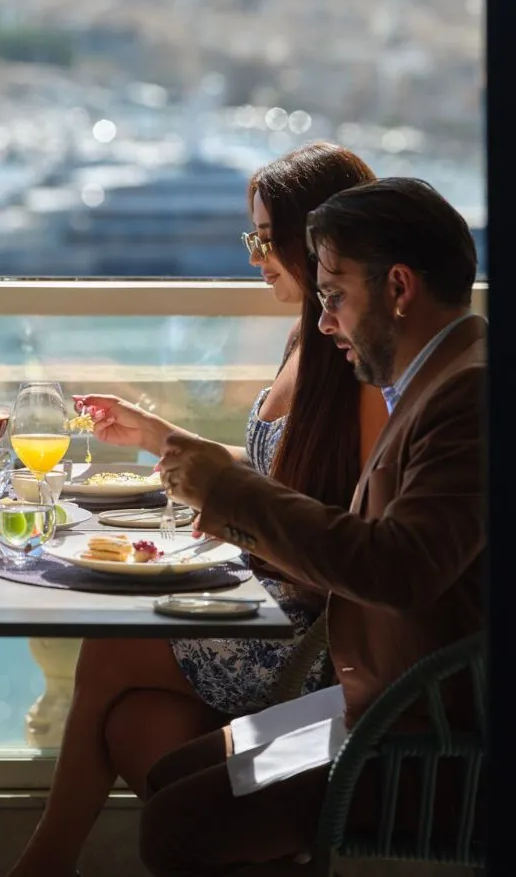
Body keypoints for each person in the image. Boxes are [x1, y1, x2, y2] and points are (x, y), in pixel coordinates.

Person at [8, 142, 387, 877]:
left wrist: (235, 519)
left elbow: (352, 522)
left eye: (263, 240)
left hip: (311, 638)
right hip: (265, 595)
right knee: (134, 723)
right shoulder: (304, 337)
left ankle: (46, 862)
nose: (255, 259)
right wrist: (158, 434)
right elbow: (278, 474)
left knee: (112, 648)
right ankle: (249, 852)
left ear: (314, 239)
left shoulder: (357, 366)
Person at [140, 177, 485, 876]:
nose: (324, 323)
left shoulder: (470, 397)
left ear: (397, 287)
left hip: (425, 736)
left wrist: (232, 491)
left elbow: (401, 566)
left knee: (178, 825)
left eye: (333, 297)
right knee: (173, 777)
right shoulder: (431, 383)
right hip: (364, 710)